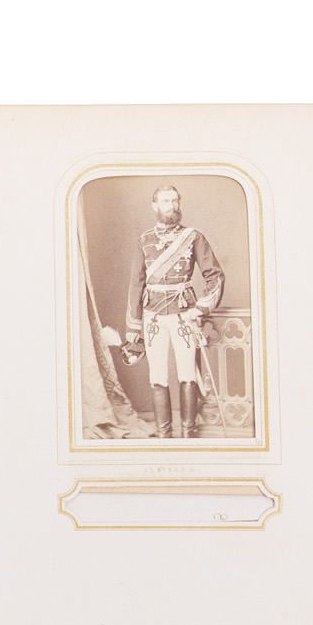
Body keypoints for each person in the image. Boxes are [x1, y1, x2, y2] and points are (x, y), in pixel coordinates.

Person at [99, 184, 224, 440]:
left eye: (175, 200)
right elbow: (136, 284)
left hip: (184, 315)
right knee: (157, 376)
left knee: (188, 374)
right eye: (166, 201)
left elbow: (215, 276)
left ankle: (188, 434)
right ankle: (164, 436)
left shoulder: (193, 237)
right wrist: (133, 327)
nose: (171, 206)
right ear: (154, 206)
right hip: (152, 316)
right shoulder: (144, 240)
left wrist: (200, 309)